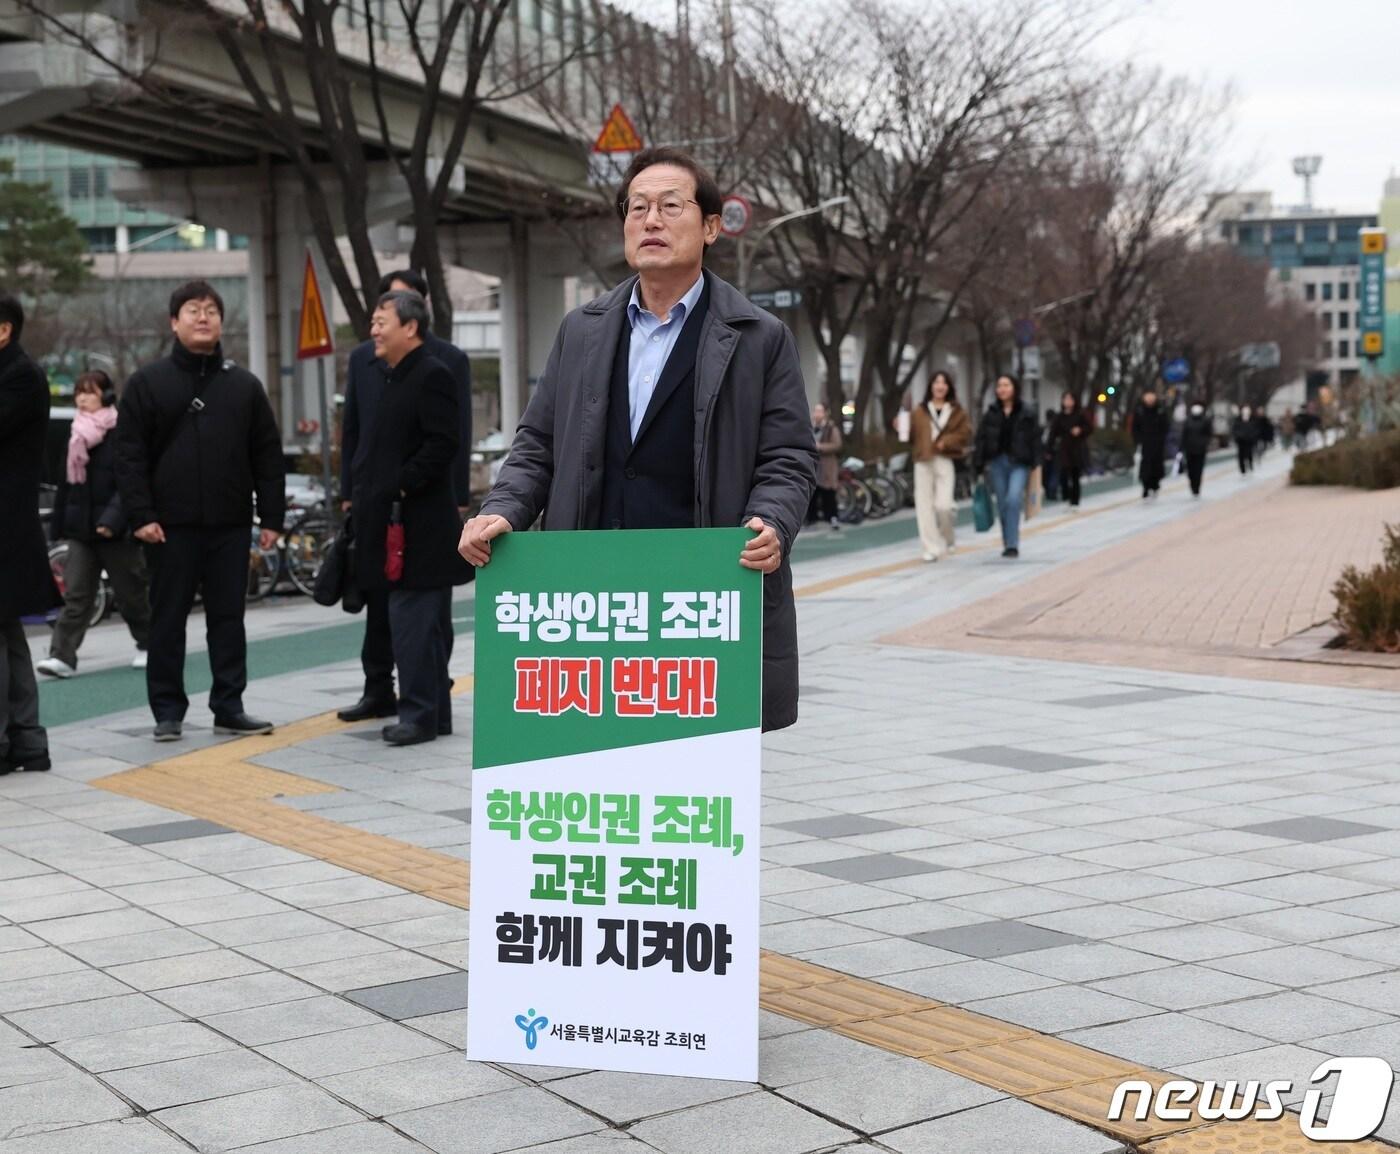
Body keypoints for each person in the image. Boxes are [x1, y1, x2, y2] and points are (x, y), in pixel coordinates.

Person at [458, 147, 816, 731]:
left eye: (671, 206)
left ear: (710, 228)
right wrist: (502, 509)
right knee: (596, 772)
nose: (650, 220)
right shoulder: (582, 330)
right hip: (595, 602)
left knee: (695, 777)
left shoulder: (759, 338)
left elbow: (788, 457)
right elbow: (537, 443)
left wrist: (772, 521)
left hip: (700, 601)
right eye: (637, 207)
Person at [114, 280, 286, 742]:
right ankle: (167, 711)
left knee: (228, 620)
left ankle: (229, 706)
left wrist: (271, 519)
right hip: (168, 527)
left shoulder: (244, 386)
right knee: (167, 619)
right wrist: (141, 515)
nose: (203, 316)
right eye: (193, 309)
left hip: (230, 524)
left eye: (211, 309)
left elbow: (266, 456)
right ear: (174, 322)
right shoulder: (147, 384)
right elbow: (128, 457)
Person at [337, 268, 473, 724]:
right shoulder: (384, 370)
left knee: (418, 620)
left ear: (411, 323)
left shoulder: (433, 371)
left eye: (382, 320)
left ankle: (419, 711)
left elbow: (444, 443)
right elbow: (355, 433)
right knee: (400, 616)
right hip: (383, 514)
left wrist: (400, 483)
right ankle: (421, 709)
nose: (374, 329)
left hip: (416, 522)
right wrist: (354, 491)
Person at [37, 370, 152, 678]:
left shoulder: (121, 432)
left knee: (131, 594)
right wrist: (60, 525)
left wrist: (112, 521)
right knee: (76, 594)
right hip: (81, 532)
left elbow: (129, 481)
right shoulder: (76, 435)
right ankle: (61, 656)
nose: (82, 398)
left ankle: (149, 643)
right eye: (79, 392)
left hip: (115, 532)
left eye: (89, 392)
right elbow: (66, 487)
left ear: (107, 395)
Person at [0, 293, 60, 775]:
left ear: (3, 330)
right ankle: (27, 743)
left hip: (5, 529)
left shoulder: (19, 376)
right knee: (9, 635)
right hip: (8, 529)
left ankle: (7, 743)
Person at [973, 373, 1039, 559]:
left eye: (1006, 385)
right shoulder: (991, 412)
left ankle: (1013, 543)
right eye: (999, 385)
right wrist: (978, 462)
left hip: (1019, 463)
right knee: (1002, 503)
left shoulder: (1026, 412)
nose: (1002, 389)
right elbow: (981, 439)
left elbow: (1035, 438)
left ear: (1014, 388)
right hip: (997, 462)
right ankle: (1008, 542)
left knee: (1013, 499)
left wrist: (1036, 461)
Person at [910, 370, 970, 560]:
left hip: (944, 459)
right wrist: (899, 427)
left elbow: (965, 433)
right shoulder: (919, 411)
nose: (940, 386)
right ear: (930, 386)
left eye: (944, 382)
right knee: (924, 506)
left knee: (944, 506)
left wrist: (948, 441)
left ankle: (948, 536)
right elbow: (910, 437)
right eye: (936, 382)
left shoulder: (957, 410)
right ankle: (931, 548)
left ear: (949, 387)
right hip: (922, 460)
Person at [1047, 390, 1092, 509]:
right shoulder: (1059, 417)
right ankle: (1066, 497)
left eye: (1070, 399)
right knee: (1063, 475)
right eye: (1065, 399)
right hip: (1064, 449)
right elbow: (1052, 434)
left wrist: (1080, 430)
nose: (1067, 402)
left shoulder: (1080, 415)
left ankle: (1075, 501)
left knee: (1075, 475)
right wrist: (1049, 449)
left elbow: (1089, 428)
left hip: (1077, 448)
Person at [808, 402, 842, 530]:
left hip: (827, 466)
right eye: (815, 411)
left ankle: (833, 518)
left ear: (825, 413)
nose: (816, 414)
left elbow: (837, 445)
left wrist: (820, 447)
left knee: (829, 493)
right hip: (813, 466)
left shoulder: (831, 428)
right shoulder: (810, 426)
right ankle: (811, 519)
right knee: (812, 494)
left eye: (819, 411)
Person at [1132, 390, 1169, 499]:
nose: (1149, 399)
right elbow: (1135, 427)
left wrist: (1162, 438)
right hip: (1144, 443)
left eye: (1151, 396)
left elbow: (1165, 426)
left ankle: (1155, 485)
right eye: (1147, 396)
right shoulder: (1139, 411)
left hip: (1158, 443)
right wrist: (1138, 440)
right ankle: (1145, 487)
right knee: (1145, 466)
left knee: (1156, 466)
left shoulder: (1160, 410)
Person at [1180, 402, 1213, 497]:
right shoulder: (1188, 421)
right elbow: (1184, 435)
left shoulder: (1205, 421)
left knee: (1198, 469)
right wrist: (1182, 447)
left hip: (1200, 449)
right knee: (1190, 469)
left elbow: (1209, 434)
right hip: (1189, 449)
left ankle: (1197, 487)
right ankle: (1192, 484)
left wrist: (1204, 443)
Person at [1232, 405, 1257, 474]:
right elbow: (1235, 429)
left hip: (1249, 440)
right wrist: (1238, 436)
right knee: (1241, 455)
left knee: (1249, 454)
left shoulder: (1253, 419)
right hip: (1241, 441)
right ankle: (1242, 469)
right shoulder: (1238, 419)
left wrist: (1252, 437)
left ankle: (1250, 465)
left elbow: (1255, 429)